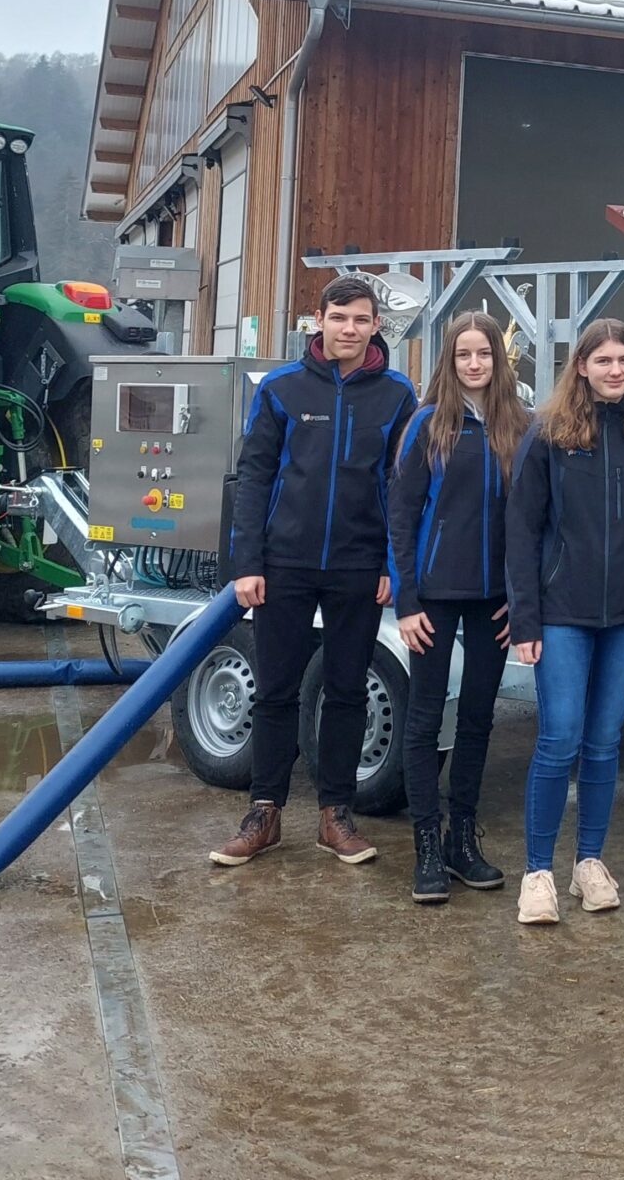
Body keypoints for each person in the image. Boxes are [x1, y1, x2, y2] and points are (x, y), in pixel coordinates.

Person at [210, 275, 419, 869]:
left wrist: (390, 567)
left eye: (360, 319)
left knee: (348, 689)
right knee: (275, 690)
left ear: (375, 325)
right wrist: (247, 562)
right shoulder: (281, 387)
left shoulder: (398, 394)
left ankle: (335, 815)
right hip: (285, 564)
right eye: (338, 317)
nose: (348, 329)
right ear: (318, 321)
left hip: (358, 563)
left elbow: (401, 488)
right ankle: (265, 812)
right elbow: (253, 478)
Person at [504, 317, 624, 925]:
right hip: (561, 614)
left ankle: (589, 865)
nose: (615, 370)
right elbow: (522, 532)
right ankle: (536, 874)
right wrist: (525, 620)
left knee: (605, 743)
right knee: (559, 737)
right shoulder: (548, 435)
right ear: (581, 366)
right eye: (603, 360)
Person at [386, 311, 529, 903]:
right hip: (434, 601)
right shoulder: (428, 425)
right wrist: (407, 601)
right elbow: (400, 516)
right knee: (424, 721)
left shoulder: (517, 426)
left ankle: (462, 841)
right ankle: (426, 844)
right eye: (464, 354)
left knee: (476, 719)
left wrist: (519, 599)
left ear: (499, 360)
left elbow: (533, 522)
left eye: (485, 354)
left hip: (494, 601)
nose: (475, 363)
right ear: (449, 359)